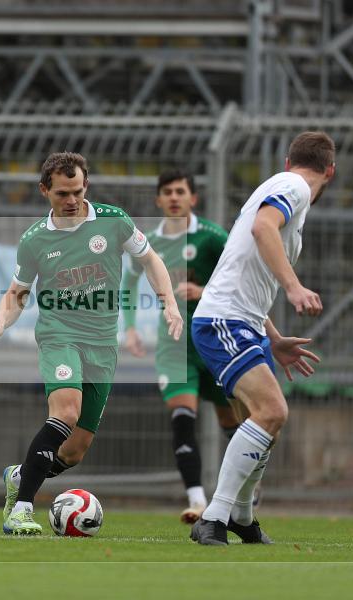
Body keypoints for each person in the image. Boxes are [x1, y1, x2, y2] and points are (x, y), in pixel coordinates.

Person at [0, 152, 184, 535]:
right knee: (66, 412)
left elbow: (151, 260)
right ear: (44, 191)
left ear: (86, 184)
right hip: (59, 335)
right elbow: (18, 292)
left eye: (78, 190)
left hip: (103, 344)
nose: (72, 200)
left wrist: (169, 303)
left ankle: (20, 476)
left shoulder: (114, 221)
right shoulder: (35, 240)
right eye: (62, 193)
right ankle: (20, 510)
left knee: (74, 450)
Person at [189, 131, 334, 545]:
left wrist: (272, 337)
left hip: (244, 323)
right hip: (224, 321)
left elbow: (248, 272)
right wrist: (294, 287)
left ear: (289, 159)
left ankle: (242, 517)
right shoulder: (294, 188)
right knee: (272, 410)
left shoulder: (284, 188)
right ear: (331, 171)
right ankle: (213, 518)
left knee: (267, 420)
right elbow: (262, 229)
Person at [121, 168, 238, 524]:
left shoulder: (213, 237)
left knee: (232, 423)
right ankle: (198, 500)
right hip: (175, 348)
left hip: (217, 343)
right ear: (158, 200)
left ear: (193, 198)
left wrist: (204, 292)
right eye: (167, 192)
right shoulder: (149, 243)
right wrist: (129, 329)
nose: (174, 197)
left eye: (180, 191)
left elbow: (240, 278)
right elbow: (128, 284)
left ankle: (241, 492)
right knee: (182, 418)